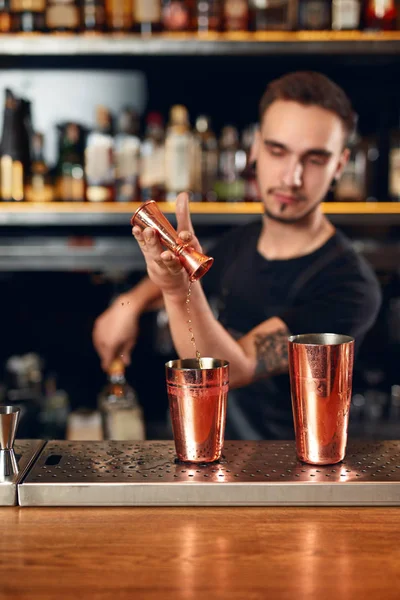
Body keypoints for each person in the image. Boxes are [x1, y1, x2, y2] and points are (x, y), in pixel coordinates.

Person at [93, 71, 382, 440]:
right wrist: (129, 303)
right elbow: (184, 272)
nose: (292, 177)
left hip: (281, 476)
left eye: (314, 159)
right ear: (256, 147)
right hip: (211, 461)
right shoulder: (242, 242)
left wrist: (175, 290)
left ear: (339, 165)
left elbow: (235, 367)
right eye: (278, 151)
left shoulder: (350, 287)